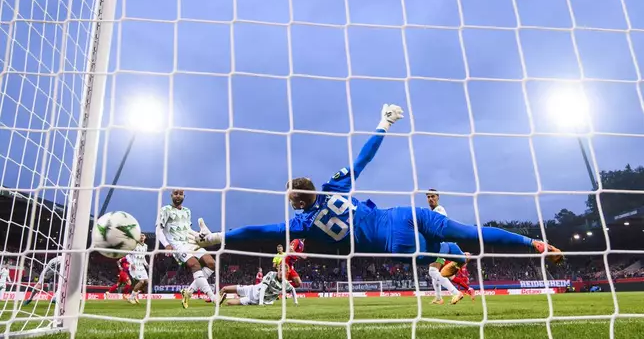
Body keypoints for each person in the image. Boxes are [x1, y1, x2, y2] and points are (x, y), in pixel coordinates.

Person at [188, 104, 562, 274]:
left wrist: (216, 237)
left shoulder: (302, 224)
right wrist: (382, 123)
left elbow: (256, 232)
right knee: (471, 232)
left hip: (391, 243)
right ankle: (535, 244)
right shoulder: (335, 186)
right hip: (401, 213)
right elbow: (364, 157)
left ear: (298, 203)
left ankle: (450, 256)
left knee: (433, 258)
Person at [155, 189, 218, 309]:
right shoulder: (165, 210)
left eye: (180, 194)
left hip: (190, 242)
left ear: (184, 196)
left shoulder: (187, 211)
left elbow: (187, 230)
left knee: (212, 263)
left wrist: (198, 235)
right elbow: (158, 229)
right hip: (177, 244)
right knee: (195, 265)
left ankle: (188, 292)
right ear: (171, 195)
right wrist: (166, 245)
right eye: (175, 194)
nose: (178, 196)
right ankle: (213, 298)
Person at [218, 266, 297, 307]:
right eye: (280, 270)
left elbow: (292, 288)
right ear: (278, 270)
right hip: (251, 289)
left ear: (286, 273)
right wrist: (261, 303)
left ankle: (222, 301)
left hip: (252, 300)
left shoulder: (285, 283)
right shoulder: (271, 274)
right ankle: (217, 300)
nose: (281, 272)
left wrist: (295, 302)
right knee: (224, 289)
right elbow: (263, 288)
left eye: (284, 271)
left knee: (229, 302)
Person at [126, 234, 150, 304]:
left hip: (141, 267)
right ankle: (131, 298)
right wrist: (131, 263)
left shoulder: (145, 246)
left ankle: (135, 294)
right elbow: (127, 255)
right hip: (135, 266)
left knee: (146, 282)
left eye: (143, 235)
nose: (142, 236)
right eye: (140, 235)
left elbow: (143, 257)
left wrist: (146, 265)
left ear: (145, 237)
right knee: (141, 281)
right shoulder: (134, 245)